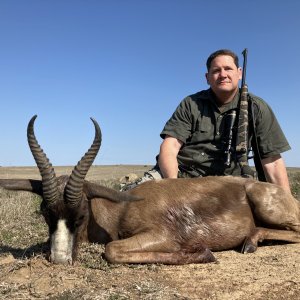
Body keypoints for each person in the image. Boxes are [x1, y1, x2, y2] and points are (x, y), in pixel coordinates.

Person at [121, 49, 291, 193]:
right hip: (181, 177)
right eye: (216, 71)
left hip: (229, 182)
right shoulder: (191, 103)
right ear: (207, 77)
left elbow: (273, 162)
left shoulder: (257, 108)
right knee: (129, 200)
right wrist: (173, 186)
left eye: (228, 69)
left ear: (239, 73)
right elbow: (170, 146)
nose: (223, 74)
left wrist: (288, 204)